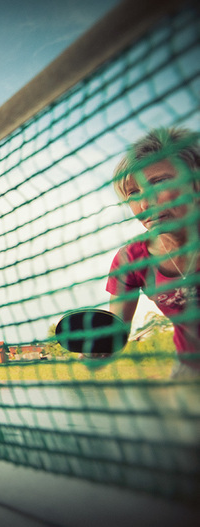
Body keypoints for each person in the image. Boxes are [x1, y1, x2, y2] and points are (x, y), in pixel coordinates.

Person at [107, 127, 200, 379]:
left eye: (159, 182)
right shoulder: (131, 259)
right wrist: (97, 344)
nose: (146, 204)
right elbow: (115, 333)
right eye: (133, 193)